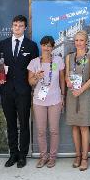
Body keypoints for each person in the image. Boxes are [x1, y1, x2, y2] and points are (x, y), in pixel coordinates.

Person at [0, 15, 39, 168]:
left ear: (25, 28)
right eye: (15, 25)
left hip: (23, 91)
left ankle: (22, 155)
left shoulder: (32, 46)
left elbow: (34, 69)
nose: (17, 28)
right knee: (11, 124)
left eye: (20, 25)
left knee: (24, 124)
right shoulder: (3, 44)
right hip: (7, 90)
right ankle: (13, 154)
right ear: (12, 26)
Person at [27, 36, 65, 168]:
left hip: (55, 99)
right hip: (39, 101)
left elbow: (61, 79)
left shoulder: (58, 61)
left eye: (49, 45)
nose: (47, 48)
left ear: (53, 47)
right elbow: (30, 82)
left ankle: (52, 157)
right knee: (41, 131)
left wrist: (63, 96)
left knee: (54, 130)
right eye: (44, 45)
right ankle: (44, 156)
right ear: (41, 46)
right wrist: (36, 76)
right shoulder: (34, 62)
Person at [65, 30, 90, 171]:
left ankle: (84, 158)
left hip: (85, 94)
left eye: (81, 40)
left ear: (86, 42)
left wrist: (81, 90)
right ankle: (77, 155)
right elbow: (67, 75)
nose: (78, 43)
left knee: (84, 126)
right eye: (76, 40)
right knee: (74, 126)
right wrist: (68, 82)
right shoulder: (69, 57)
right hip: (72, 94)